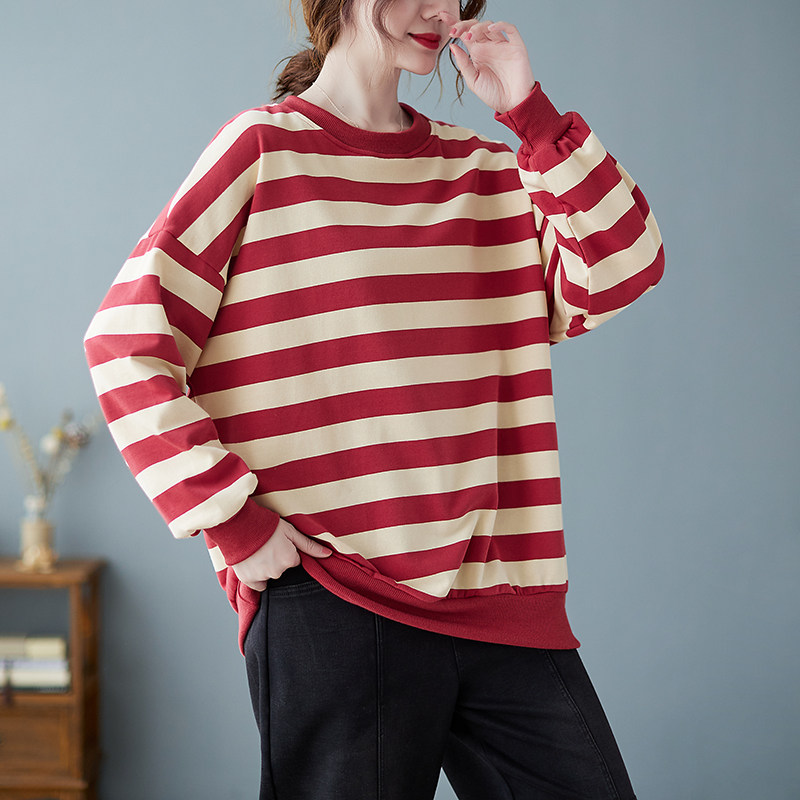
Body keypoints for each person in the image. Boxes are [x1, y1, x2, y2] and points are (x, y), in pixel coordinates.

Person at [85, 0, 663, 797]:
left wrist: (530, 113)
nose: (441, 10)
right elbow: (126, 342)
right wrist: (235, 523)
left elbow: (624, 266)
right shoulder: (264, 151)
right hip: (336, 596)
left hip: (502, 597)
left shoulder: (488, 174)